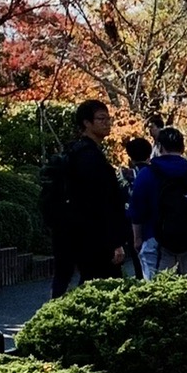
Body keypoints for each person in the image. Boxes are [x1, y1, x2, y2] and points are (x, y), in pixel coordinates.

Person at [42, 100, 129, 297]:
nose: (107, 123)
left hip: (69, 231)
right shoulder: (90, 158)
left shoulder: (74, 152)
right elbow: (101, 201)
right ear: (86, 123)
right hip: (91, 235)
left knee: (65, 280)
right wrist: (114, 240)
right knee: (102, 287)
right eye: (101, 119)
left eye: (108, 119)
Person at [128, 126, 187, 277]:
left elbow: (137, 210)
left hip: (154, 238)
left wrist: (137, 239)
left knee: (156, 292)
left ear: (159, 147)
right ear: (183, 147)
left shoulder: (147, 174)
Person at [121, 136, 153, 277]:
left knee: (138, 263)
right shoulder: (155, 173)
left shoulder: (125, 176)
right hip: (154, 223)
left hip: (130, 223)